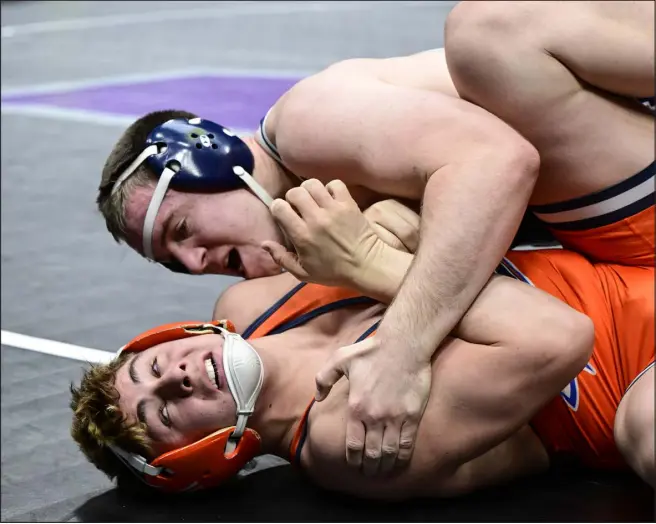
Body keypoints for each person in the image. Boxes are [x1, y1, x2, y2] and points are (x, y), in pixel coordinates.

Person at [95, 1, 654, 474]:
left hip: (619, 226)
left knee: (488, 31)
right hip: (609, 270)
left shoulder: (307, 127)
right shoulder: (294, 280)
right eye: (175, 263)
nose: (197, 264)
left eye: (183, 230)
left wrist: (402, 343)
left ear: (213, 160)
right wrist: (390, 238)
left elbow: (498, 162)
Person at [71, 191, 654, 496]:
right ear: (207, 455)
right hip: (635, 371)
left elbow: (416, 201)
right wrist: (374, 263)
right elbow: (558, 335)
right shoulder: (347, 443)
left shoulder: (248, 305)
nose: (176, 376)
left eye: (151, 367)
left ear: (174, 336)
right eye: (166, 410)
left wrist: (396, 218)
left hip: (617, 253)